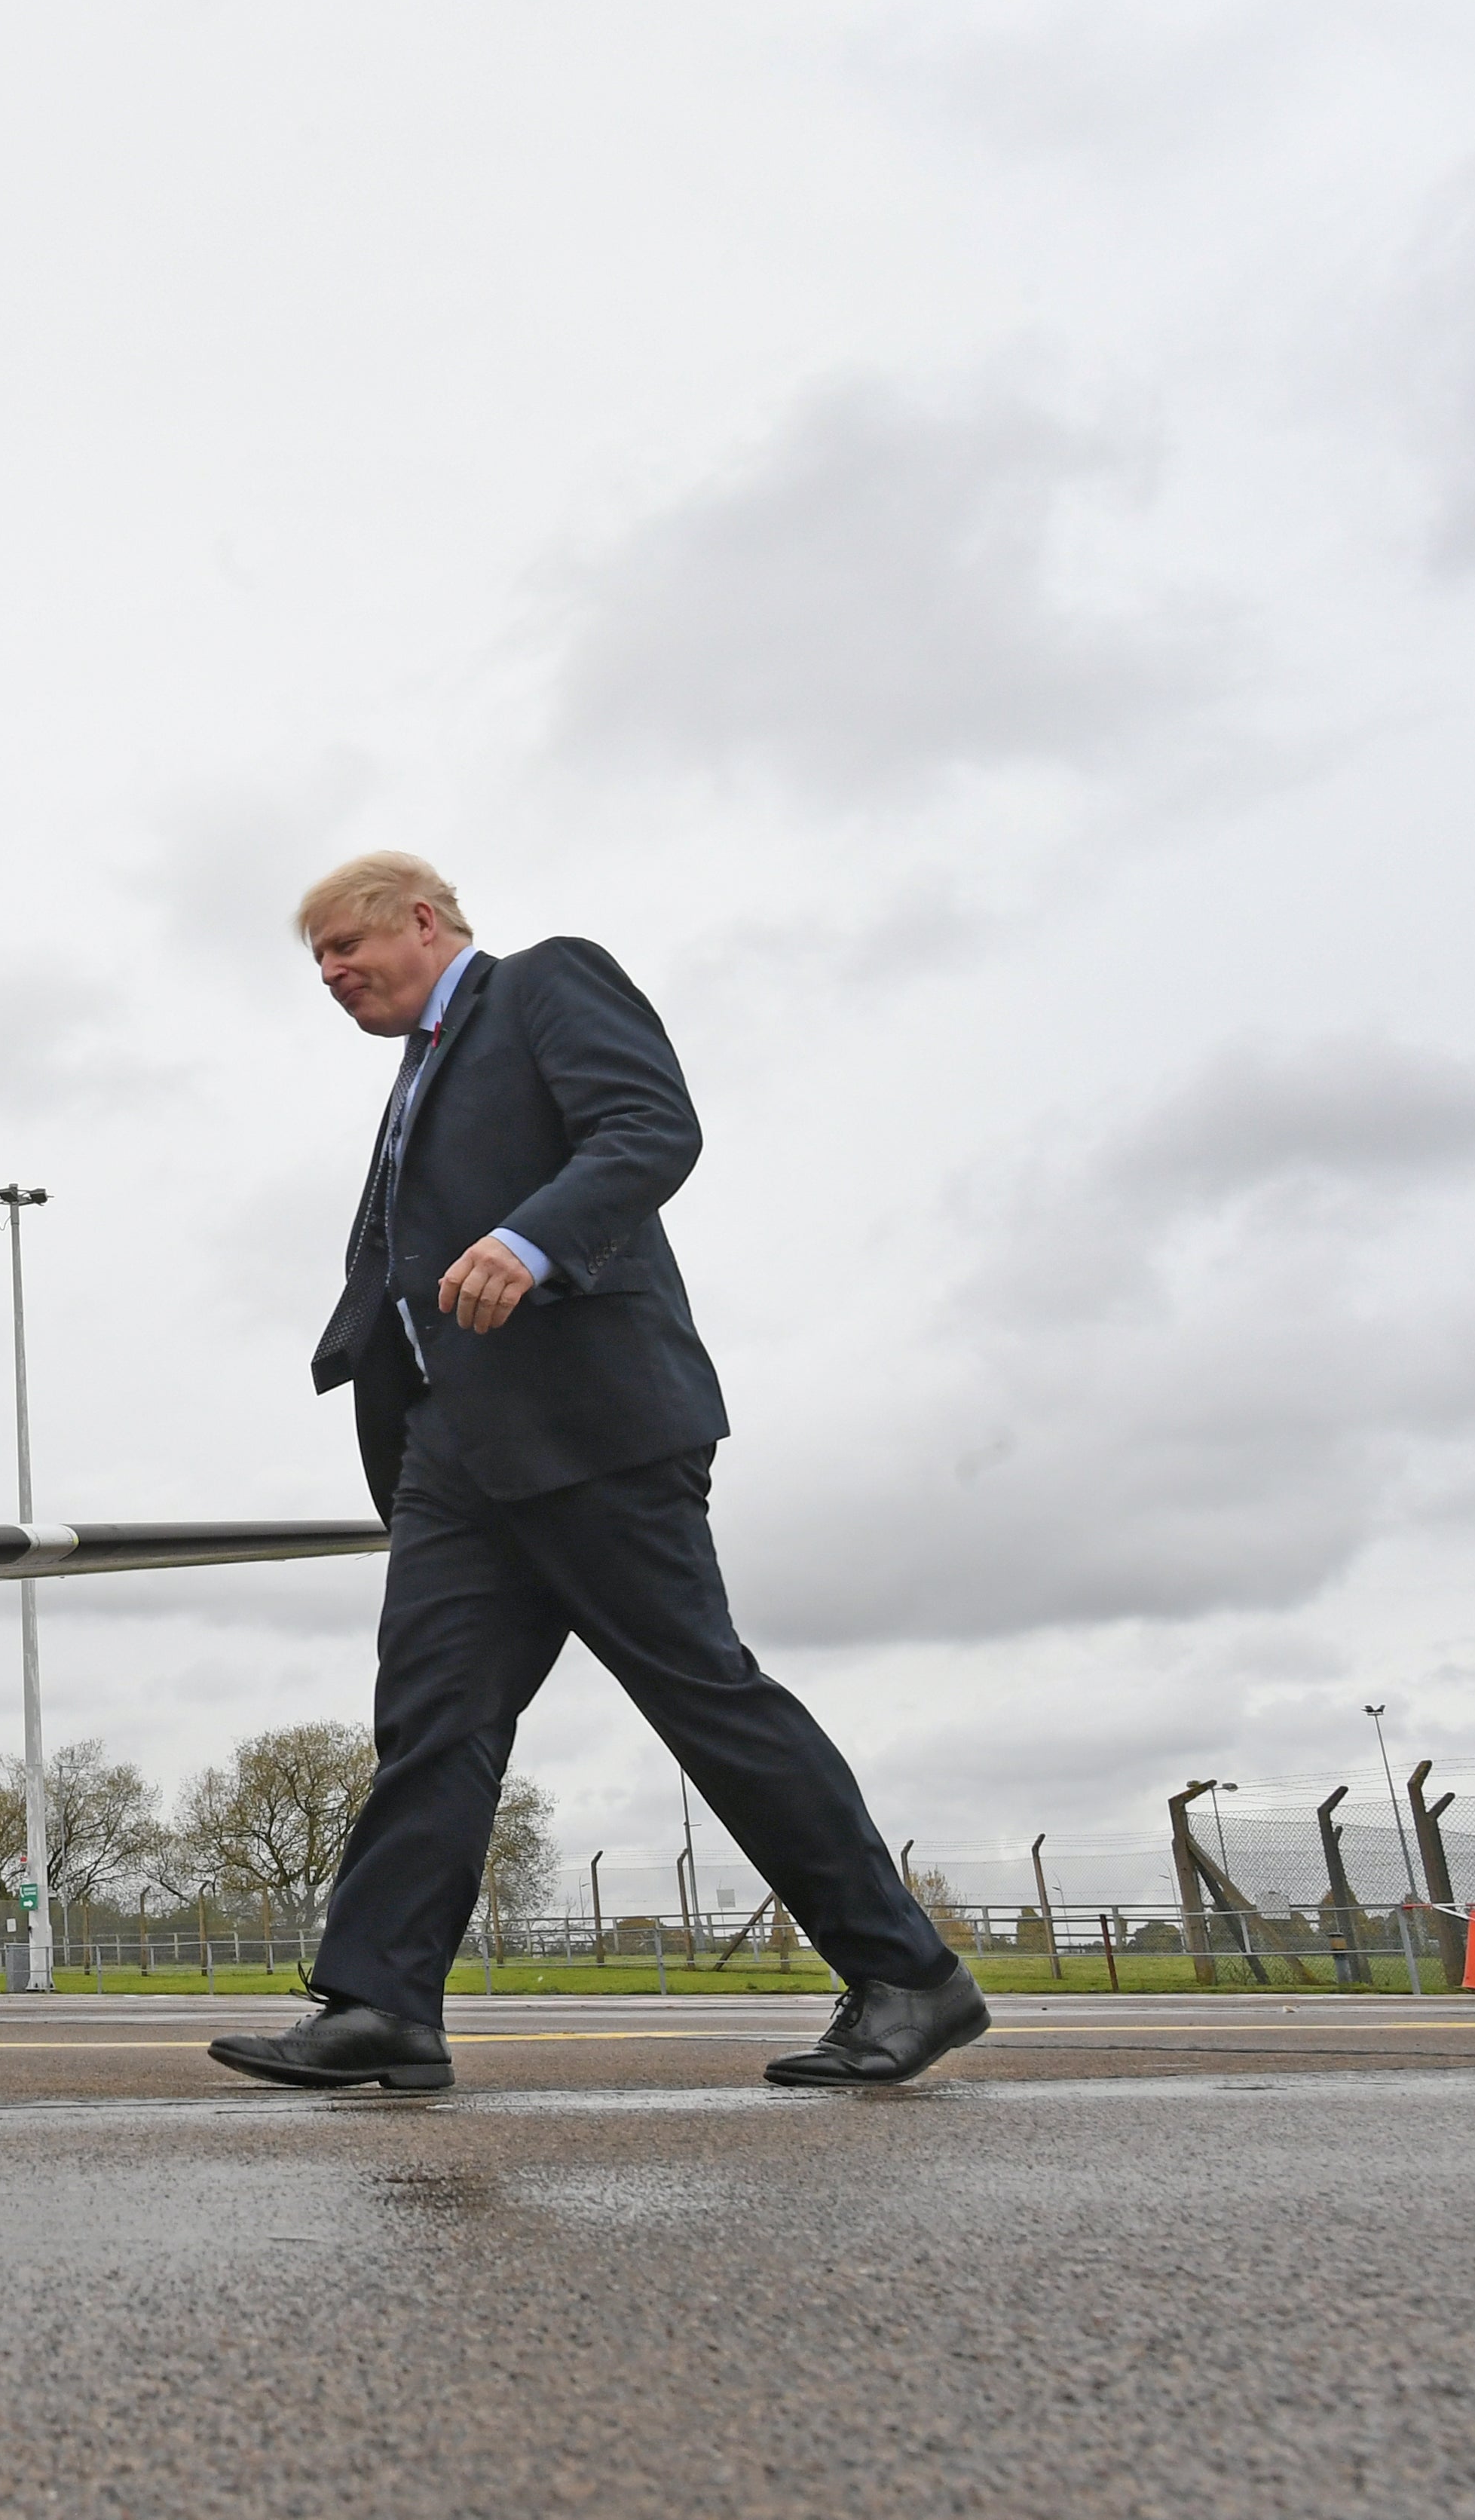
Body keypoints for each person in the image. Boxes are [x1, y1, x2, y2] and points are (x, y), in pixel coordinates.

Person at [209, 853, 983, 2094]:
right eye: (314, 963)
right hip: (452, 1453)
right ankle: (382, 2006)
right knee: (430, 1724)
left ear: (422, 918)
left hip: (589, 1426)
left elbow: (647, 1128)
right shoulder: (414, 1076)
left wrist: (528, 1241)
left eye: (343, 946)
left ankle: (910, 1977)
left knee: (702, 1698)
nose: (330, 974)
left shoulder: (542, 987)